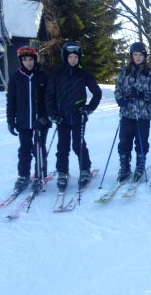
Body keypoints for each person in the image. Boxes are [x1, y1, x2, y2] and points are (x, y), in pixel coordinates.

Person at [45, 41, 102, 191]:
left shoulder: (84, 74)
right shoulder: (57, 74)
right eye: (70, 57)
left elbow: (97, 93)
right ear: (65, 57)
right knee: (62, 146)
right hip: (62, 117)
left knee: (78, 144)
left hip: (78, 116)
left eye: (75, 57)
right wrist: (52, 114)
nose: (73, 60)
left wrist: (89, 108)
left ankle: (85, 170)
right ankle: (62, 172)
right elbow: (49, 96)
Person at [6, 46, 50, 193]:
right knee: (24, 149)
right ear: (21, 61)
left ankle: (40, 175)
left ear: (35, 59)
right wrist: (11, 121)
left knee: (39, 148)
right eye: (25, 60)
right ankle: (23, 176)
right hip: (24, 122)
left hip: (41, 121)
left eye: (31, 59)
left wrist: (45, 117)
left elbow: (50, 100)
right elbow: (11, 101)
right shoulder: (16, 78)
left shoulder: (43, 76)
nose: (28, 63)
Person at [114, 42, 151, 184]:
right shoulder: (124, 72)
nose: (138, 57)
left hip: (143, 115)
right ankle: (124, 167)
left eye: (140, 55)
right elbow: (118, 89)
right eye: (135, 55)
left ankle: (140, 165)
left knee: (141, 142)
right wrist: (121, 100)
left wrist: (142, 95)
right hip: (127, 114)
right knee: (124, 142)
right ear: (131, 56)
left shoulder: (150, 73)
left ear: (144, 56)